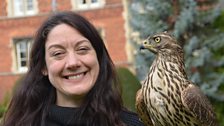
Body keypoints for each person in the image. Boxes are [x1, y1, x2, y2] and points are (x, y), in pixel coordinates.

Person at [2, 11, 143, 126]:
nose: (73, 63)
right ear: (43, 67)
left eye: (82, 49)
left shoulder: (134, 123)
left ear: (98, 58)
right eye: (58, 53)